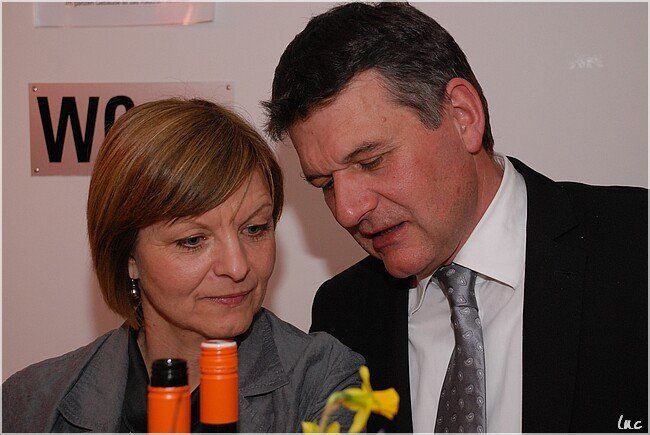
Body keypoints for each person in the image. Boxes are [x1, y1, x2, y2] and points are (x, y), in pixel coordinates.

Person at [263, 2, 647, 433]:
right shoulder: (345, 314)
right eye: (325, 184)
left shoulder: (636, 246)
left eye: (371, 161)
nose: (348, 210)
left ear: (463, 117)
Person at [2, 99, 363, 432]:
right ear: (129, 257)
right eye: (193, 240)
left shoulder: (323, 385)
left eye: (254, 229)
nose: (237, 266)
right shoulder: (32, 404)